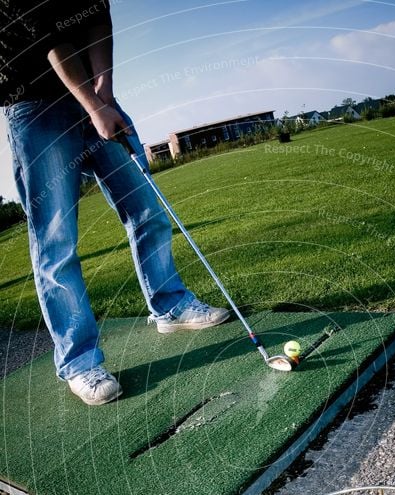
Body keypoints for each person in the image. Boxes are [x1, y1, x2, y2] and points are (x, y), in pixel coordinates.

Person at [1, 0, 229, 405]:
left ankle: (170, 307)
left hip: (94, 96)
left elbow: (97, 19)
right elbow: (52, 42)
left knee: (147, 209)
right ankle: (79, 361)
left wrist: (104, 95)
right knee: (56, 243)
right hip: (36, 110)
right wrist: (94, 107)